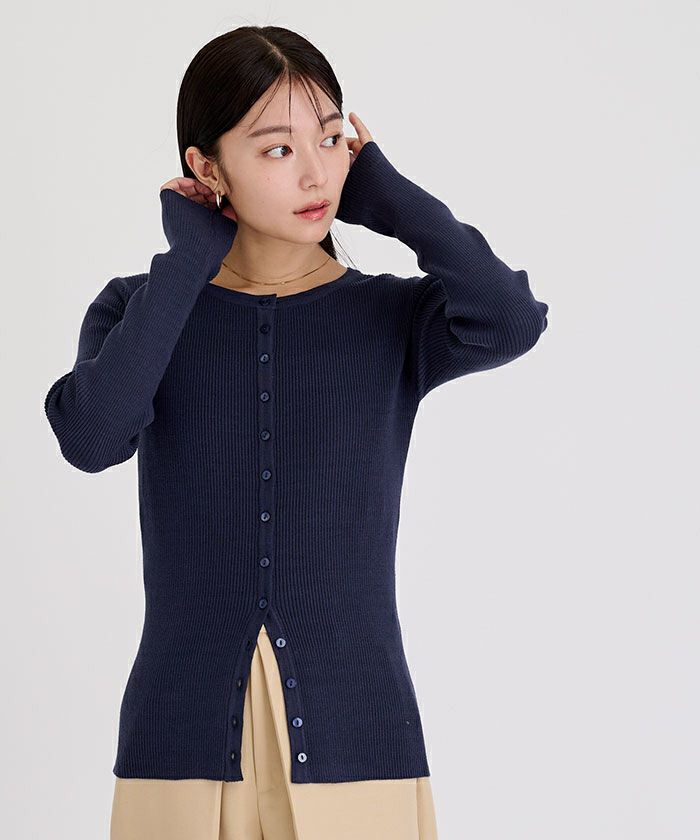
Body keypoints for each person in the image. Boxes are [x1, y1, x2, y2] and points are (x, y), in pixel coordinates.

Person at [44, 25, 549, 840]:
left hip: (360, 744)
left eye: (331, 139)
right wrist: (186, 263)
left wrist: (391, 199)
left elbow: (510, 320)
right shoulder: (142, 310)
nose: (316, 173)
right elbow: (92, 437)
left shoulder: (390, 318)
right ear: (207, 168)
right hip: (181, 750)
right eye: (277, 149)